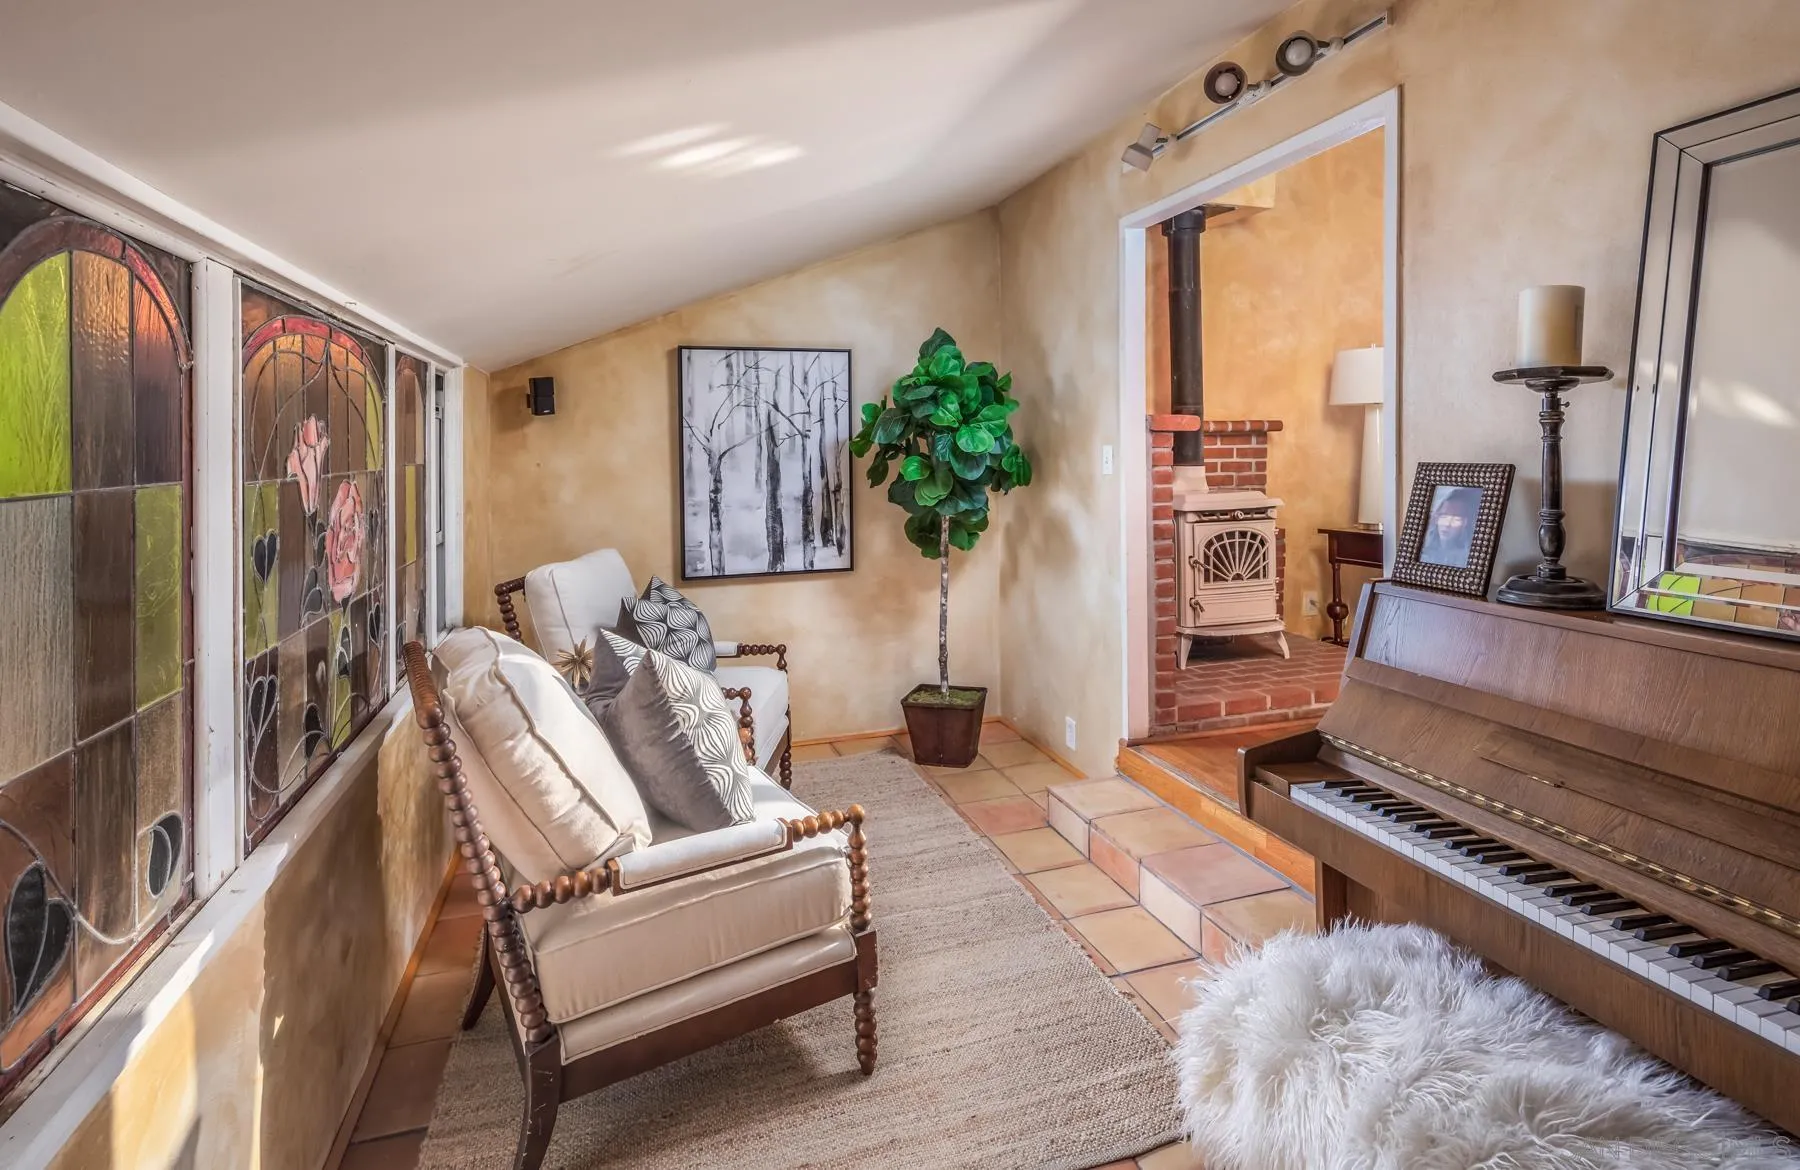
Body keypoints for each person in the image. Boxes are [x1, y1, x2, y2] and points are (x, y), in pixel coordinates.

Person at [1419, 485, 1482, 567]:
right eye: (1444, 516)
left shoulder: (1470, 556)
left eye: (1456, 519)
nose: (1447, 524)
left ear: (1465, 523)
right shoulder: (1424, 550)